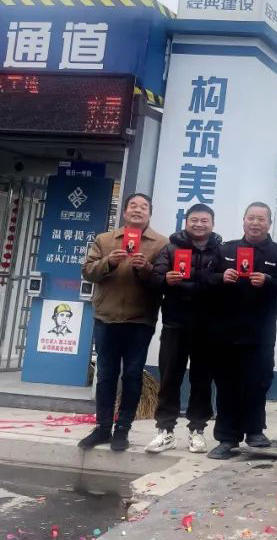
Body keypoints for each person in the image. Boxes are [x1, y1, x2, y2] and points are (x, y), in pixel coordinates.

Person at [78, 193, 167, 452]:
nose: (138, 210)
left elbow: (162, 281)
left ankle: (123, 429)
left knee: (132, 375)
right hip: (106, 317)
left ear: (150, 213)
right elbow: (87, 272)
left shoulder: (162, 243)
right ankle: (102, 427)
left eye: (144, 207)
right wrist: (109, 262)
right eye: (133, 206)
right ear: (125, 212)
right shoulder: (105, 240)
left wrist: (146, 268)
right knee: (106, 374)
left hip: (140, 319)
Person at [206, 202, 277, 460]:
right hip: (226, 333)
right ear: (243, 220)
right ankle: (227, 438)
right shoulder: (225, 250)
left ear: (269, 223)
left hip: (260, 333)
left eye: (261, 219)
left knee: (258, 383)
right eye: (251, 218)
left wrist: (268, 281)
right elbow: (206, 280)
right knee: (227, 385)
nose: (255, 223)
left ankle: (255, 432)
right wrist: (221, 277)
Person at [144, 203, 222, 455]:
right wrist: (165, 279)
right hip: (175, 324)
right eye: (194, 220)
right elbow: (154, 280)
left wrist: (217, 280)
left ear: (212, 224)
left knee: (202, 380)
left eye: (204, 220)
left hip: (207, 326)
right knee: (169, 378)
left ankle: (197, 430)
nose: (199, 224)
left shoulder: (221, 251)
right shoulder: (170, 248)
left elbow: (226, 284)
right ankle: (165, 430)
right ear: (186, 222)